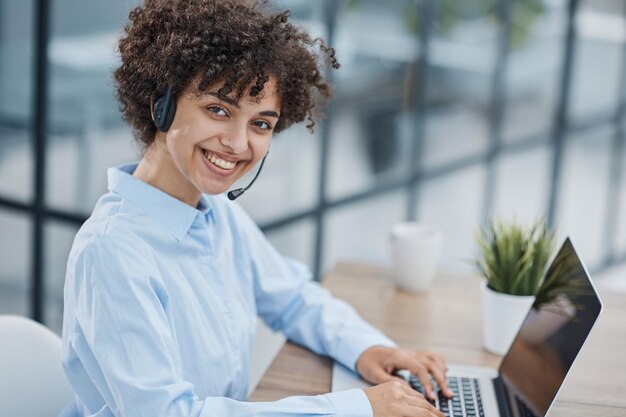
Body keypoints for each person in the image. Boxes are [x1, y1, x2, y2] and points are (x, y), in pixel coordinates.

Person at [61, 1, 452, 416]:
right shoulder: (113, 251)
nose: (237, 143)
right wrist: (354, 409)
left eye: (261, 123)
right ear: (163, 103)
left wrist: (367, 347)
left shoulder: (214, 213)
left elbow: (293, 300)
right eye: (218, 110)